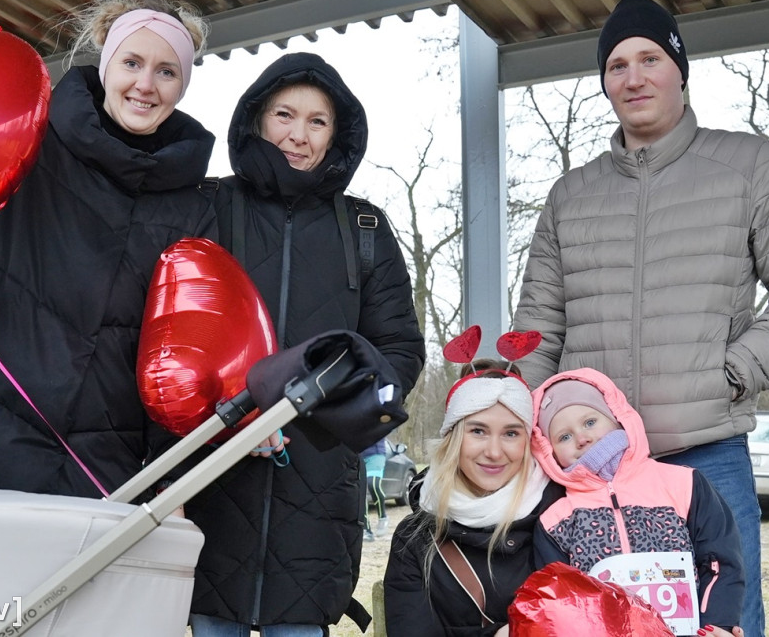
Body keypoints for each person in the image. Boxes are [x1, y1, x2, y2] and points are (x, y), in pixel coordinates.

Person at [512, 0, 769, 636]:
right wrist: (531, 424)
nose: (633, 77)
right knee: (588, 626)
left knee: (728, 623)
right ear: (604, 82)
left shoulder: (747, 167)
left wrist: (733, 372)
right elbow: (536, 327)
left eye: (650, 58)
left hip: (704, 458)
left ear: (680, 70)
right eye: (616, 66)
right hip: (584, 475)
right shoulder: (570, 195)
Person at [0, 0, 217, 498]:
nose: (145, 84)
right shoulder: (26, 140)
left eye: (166, 71)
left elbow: (181, 354)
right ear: (105, 64)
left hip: (96, 466)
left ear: (183, 85)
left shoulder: (196, 206)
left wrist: (169, 480)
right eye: (132, 63)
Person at [176, 52, 425, 636]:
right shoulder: (205, 207)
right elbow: (174, 330)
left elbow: (399, 349)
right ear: (257, 120)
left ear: (337, 135)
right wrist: (233, 412)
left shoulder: (364, 229)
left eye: (318, 122)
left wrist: (314, 410)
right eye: (285, 114)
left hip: (317, 491)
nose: (298, 134)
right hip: (214, 483)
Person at [531, 368, 745, 635]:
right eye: (564, 436)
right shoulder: (556, 520)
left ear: (617, 419)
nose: (582, 438)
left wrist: (717, 624)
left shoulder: (684, 484)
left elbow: (719, 560)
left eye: (590, 422)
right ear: (548, 451)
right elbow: (560, 597)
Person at [383, 361, 562, 636]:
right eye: (478, 431)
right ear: (453, 438)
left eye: (511, 433)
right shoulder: (416, 538)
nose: (493, 451)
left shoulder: (562, 515)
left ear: (528, 442)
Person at [361, 437, 389, 541]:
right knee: (360, 491)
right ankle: (366, 530)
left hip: (376, 453)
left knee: (373, 483)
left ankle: (383, 517)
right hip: (357, 453)